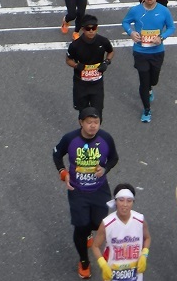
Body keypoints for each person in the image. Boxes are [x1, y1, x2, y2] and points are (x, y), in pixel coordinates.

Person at [52, 108, 119, 280]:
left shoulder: (106, 138)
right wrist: (63, 173)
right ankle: (84, 262)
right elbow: (57, 154)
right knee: (81, 226)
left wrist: (105, 169)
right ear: (81, 122)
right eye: (89, 122)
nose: (92, 126)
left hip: (99, 190)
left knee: (98, 224)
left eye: (96, 122)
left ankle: (89, 232)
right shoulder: (70, 139)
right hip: (78, 191)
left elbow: (114, 158)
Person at [121, 0, 176, 123]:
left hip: (157, 51)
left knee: (153, 79)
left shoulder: (164, 11)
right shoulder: (135, 10)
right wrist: (131, 33)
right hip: (140, 51)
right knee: (143, 82)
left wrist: (161, 37)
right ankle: (146, 109)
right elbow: (125, 22)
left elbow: (171, 27)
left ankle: (150, 88)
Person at [93, 183, 151, 281]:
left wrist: (144, 254)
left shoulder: (140, 220)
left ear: (133, 202)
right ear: (115, 201)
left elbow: (147, 238)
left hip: (135, 273)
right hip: (113, 273)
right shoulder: (107, 223)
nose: (125, 204)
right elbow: (95, 246)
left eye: (129, 201)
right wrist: (103, 265)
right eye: (121, 200)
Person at [66, 14, 114, 115]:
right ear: (83, 29)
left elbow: (111, 51)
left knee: (97, 113)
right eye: (88, 29)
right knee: (83, 113)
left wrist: (106, 62)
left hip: (97, 84)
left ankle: (94, 130)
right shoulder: (75, 45)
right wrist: (76, 65)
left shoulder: (103, 41)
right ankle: (84, 130)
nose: (91, 31)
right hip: (81, 84)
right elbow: (68, 60)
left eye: (94, 28)